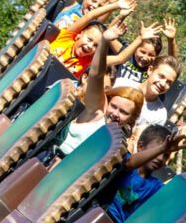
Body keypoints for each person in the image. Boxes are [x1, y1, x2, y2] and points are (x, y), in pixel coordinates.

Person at [58, 23, 143, 156]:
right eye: (114, 106)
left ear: (131, 118)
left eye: (124, 112)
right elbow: (96, 74)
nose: (115, 113)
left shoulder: (118, 142)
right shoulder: (98, 113)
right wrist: (104, 42)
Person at [49, 0, 137, 79]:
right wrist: (116, 5)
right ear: (79, 34)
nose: (90, 46)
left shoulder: (88, 61)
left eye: (95, 45)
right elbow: (89, 16)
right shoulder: (66, 38)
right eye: (89, 39)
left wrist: (139, 38)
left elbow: (120, 58)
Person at [105, 124, 173, 223]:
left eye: (165, 155)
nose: (160, 158)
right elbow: (128, 163)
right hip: (100, 212)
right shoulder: (125, 161)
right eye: (157, 151)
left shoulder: (156, 187)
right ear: (141, 146)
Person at [118, 55, 185, 133]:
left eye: (168, 82)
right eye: (161, 76)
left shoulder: (159, 115)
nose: (163, 84)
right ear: (150, 70)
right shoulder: (121, 84)